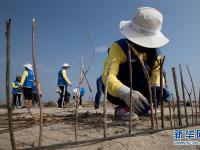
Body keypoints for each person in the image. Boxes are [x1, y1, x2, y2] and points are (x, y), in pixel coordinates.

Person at [101, 7, 171, 120]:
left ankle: (144, 106)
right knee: (107, 83)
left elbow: (157, 77)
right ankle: (124, 107)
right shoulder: (119, 48)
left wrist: (155, 93)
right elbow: (108, 76)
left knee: (159, 90)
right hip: (121, 90)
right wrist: (124, 92)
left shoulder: (156, 55)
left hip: (142, 88)